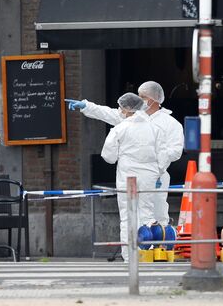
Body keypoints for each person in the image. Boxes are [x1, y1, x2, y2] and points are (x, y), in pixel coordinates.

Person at [67, 81, 184, 225]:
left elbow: (176, 150)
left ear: (154, 100)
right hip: (132, 175)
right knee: (131, 216)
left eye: (142, 96)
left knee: (156, 213)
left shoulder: (170, 124)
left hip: (155, 176)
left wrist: (158, 166)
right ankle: (133, 247)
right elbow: (109, 113)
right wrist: (87, 106)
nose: (139, 99)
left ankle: (159, 245)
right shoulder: (131, 118)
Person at [100, 92, 168, 262]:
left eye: (121, 107)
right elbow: (164, 155)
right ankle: (149, 252)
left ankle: (130, 256)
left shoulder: (120, 129)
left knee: (127, 215)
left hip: (127, 177)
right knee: (147, 213)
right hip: (149, 176)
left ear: (127, 109)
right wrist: (158, 171)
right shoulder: (154, 128)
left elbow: (108, 156)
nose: (119, 110)